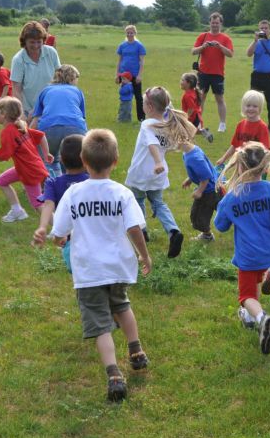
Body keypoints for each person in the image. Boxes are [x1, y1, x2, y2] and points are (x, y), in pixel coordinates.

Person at [49, 128, 152, 402]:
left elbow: (59, 230)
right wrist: (144, 255)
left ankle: (114, 373)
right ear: (115, 160)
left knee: (100, 324)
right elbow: (134, 228)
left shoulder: (73, 194)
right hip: (118, 267)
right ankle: (136, 350)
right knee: (122, 305)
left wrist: (58, 239)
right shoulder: (122, 193)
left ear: (83, 160)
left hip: (89, 271)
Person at [214, 142, 270, 354]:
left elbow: (220, 226)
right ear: (266, 168)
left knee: (246, 297)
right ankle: (266, 281)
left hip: (248, 255)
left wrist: (224, 206)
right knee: (259, 272)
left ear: (240, 167)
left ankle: (262, 318)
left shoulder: (232, 197)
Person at [124, 86, 184, 258]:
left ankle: (141, 230)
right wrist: (160, 162)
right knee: (158, 203)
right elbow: (171, 146)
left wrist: (157, 161)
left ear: (149, 106)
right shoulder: (167, 125)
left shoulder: (147, 124)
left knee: (137, 200)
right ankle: (173, 231)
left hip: (142, 172)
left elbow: (152, 144)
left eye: (143, 103)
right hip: (159, 174)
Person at [0, 96, 52, 223]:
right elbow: (41, 136)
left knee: (37, 204)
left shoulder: (9, 131)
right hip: (25, 167)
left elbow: (3, 155)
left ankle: (59, 230)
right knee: (2, 181)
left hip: (29, 171)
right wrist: (46, 153)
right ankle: (17, 211)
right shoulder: (20, 126)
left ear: (4, 115)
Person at [156, 107, 221, 242]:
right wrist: (190, 179)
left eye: (168, 139)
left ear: (176, 138)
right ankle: (237, 220)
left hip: (209, 191)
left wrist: (199, 191)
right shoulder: (189, 151)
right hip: (211, 188)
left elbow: (206, 176)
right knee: (220, 209)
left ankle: (207, 236)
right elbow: (200, 172)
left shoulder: (194, 157)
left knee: (198, 217)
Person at [32, 134, 89, 269]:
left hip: (69, 242)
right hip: (93, 237)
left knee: (80, 277)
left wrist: (43, 227)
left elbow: (47, 205)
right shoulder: (92, 181)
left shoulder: (53, 183)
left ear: (61, 159)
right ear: (87, 159)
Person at [30, 64, 87, 176]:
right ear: (71, 78)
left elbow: (36, 118)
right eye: (77, 78)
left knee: (48, 159)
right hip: (75, 127)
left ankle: (49, 185)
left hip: (49, 128)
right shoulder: (77, 91)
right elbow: (82, 118)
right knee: (77, 161)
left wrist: (27, 138)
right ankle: (77, 185)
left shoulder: (46, 91)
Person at [191, 12, 234, 132]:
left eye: (217, 23)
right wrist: (203, 46)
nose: (215, 25)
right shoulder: (203, 36)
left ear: (221, 23)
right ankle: (199, 123)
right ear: (209, 22)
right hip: (203, 72)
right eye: (213, 22)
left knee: (219, 98)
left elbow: (230, 54)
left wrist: (220, 46)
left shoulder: (225, 38)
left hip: (218, 73)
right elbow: (193, 51)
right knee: (201, 98)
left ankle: (222, 124)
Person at [11, 21, 61, 118]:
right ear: (24, 41)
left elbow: (59, 79)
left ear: (44, 40)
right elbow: (16, 89)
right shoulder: (18, 60)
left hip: (50, 108)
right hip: (28, 111)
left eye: (39, 41)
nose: (36, 45)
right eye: (32, 42)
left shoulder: (51, 53)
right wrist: (21, 114)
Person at [246, 19, 270, 132]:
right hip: (257, 76)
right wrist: (255, 40)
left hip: (269, 76)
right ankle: (252, 123)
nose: (263, 30)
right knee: (253, 102)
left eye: (265, 28)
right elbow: (248, 54)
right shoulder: (256, 43)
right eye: (261, 28)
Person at [216, 90, 270, 168]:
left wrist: (265, 166)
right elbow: (234, 145)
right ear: (243, 106)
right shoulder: (240, 125)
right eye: (248, 105)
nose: (251, 109)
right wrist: (223, 158)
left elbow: (266, 150)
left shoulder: (262, 127)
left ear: (260, 108)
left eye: (255, 106)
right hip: (240, 165)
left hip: (255, 167)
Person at [116, 24, 146, 121]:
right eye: (128, 33)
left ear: (135, 33)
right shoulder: (122, 45)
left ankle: (141, 118)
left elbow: (142, 62)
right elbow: (119, 61)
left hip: (135, 74)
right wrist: (117, 74)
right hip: (124, 75)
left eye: (131, 33)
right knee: (124, 95)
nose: (129, 34)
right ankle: (123, 116)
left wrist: (139, 75)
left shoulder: (139, 46)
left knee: (138, 97)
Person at [180, 72, 213, 142]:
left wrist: (185, 118)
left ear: (189, 84)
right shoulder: (193, 92)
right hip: (196, 117)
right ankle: (203, 132)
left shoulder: (188, 95)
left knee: (188, 134)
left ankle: (191, 149)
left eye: (183, 80)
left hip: (193, 118)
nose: (181, 82)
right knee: (191, 132)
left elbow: (191, 109)